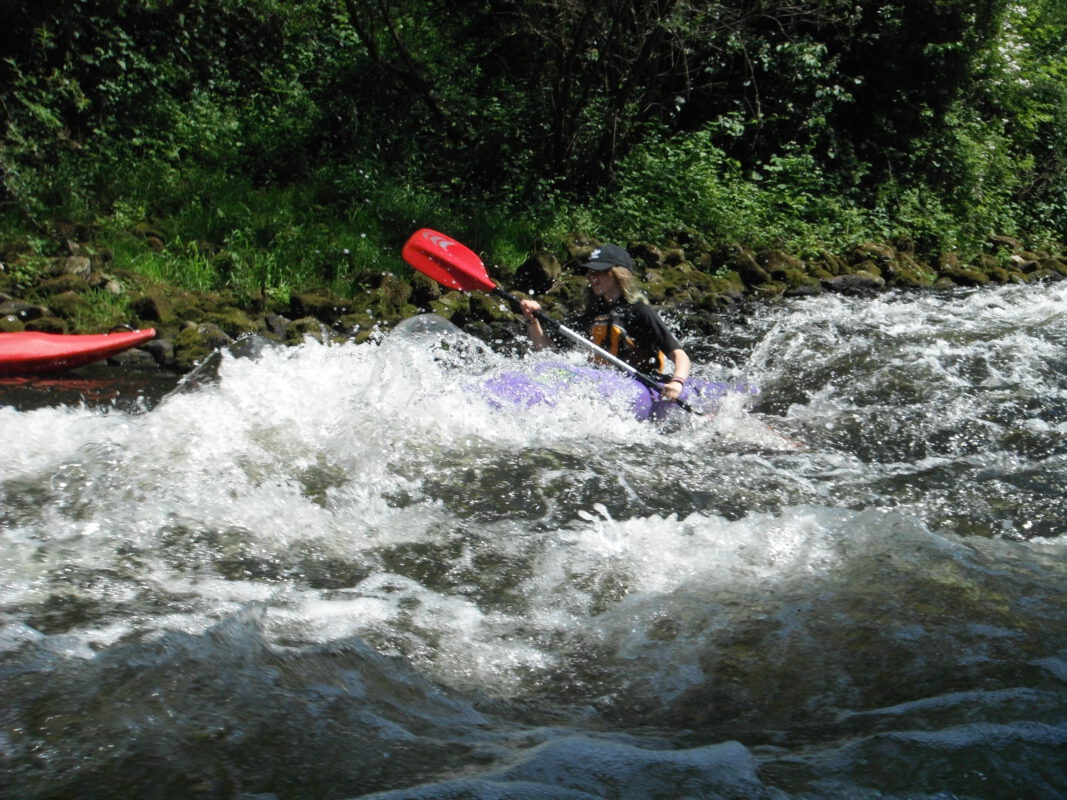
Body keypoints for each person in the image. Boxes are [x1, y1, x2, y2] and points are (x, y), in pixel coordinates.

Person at [518, 244, 691, 402]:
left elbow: (680, 355)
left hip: (643, 382)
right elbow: (547, 348)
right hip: (605, 380)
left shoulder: (640, 312)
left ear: (618, 274)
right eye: (591, 272)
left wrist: (677, 382)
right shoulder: (592, 315)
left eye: (599, 272)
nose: (592, 277)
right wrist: (533, 320)